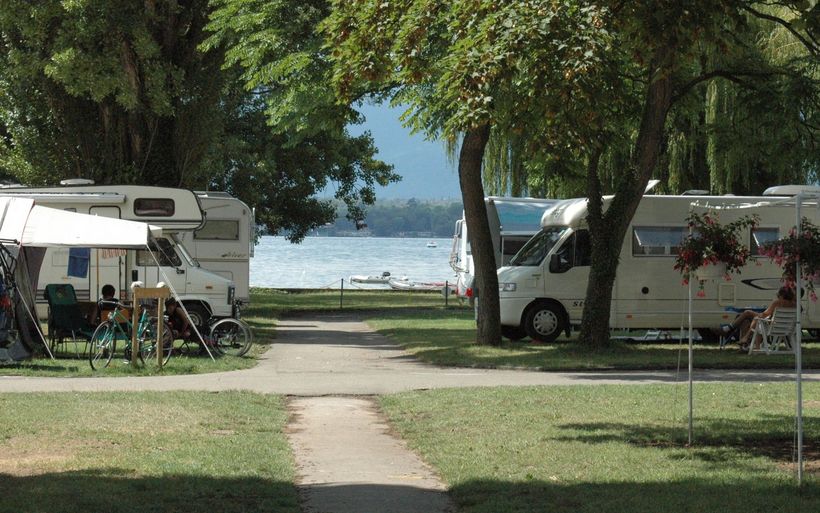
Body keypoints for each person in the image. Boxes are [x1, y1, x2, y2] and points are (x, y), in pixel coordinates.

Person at [723, 286, 796, 351]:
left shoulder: (778, 303)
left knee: (754, 317)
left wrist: (761, 315)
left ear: (781, 296)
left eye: (778, 295)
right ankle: (743, 339)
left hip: (773, 328)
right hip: (787, 328)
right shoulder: (794, 304)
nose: (777, 297)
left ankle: (737, 332)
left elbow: (765, 314)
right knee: (750, 317)